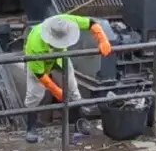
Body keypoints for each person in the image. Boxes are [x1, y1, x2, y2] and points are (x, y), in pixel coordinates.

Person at [23, 14, 112, 143]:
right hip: (40, 62)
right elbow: (39, 74)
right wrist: (56, 90)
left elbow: (91, 23)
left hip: (61, 58)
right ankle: (31, 128)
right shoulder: (35, 44)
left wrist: (102, 39)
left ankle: (79, 121)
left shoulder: (65, 22)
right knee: (34, 94)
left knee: (72, 89)